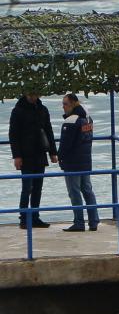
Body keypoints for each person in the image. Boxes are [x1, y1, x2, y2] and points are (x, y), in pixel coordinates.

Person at [8, 92, 58, 228]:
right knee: (27, 188)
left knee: (37, 188)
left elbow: (48, 131)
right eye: (30, 94)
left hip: (40, 153)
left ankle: (35, 216)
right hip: (25, 155)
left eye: (35, 94)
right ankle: (24, 218)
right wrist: (17, 156)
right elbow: (13, 134)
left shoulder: (43, 109)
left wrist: (53, 152)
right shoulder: (18, 110)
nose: (32, 97)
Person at [58, 94, 99, 232]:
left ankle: (79, 222)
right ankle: (94, 221)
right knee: (87, 190)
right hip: (85, 160)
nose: (63, 107)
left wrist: (59, 158)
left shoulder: (71, 121)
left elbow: (65, 144)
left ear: (73, 104)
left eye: (65, 104)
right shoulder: (88, 118)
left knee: (74, 192)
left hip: (72, 163)